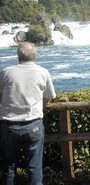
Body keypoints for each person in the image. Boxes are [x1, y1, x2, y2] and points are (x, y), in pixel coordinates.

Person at [0, 42, 56, 185]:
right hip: (33, 125)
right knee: (34, 168)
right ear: (34, 56)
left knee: (9, 167)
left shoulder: (6, 72)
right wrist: (40, 106)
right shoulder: (43, 72)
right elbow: (49, 96)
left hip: (8, 126)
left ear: (18, 56)